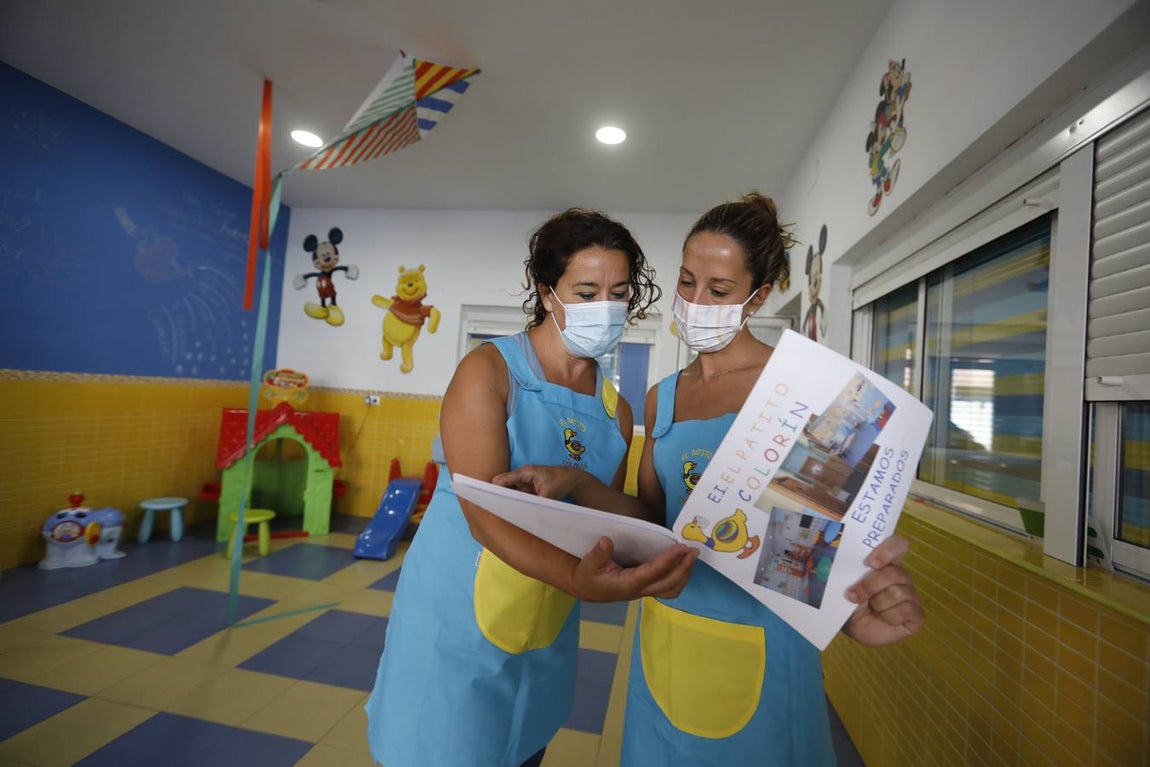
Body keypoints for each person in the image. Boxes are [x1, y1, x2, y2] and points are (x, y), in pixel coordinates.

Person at [496, 192, 925, 766]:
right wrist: (575, 482)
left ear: (757, 297)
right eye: (687, 282)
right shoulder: (664, 396)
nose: (695, 302)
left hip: (766, 643)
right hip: (667, 631)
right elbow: (653, 520)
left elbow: (813, 548)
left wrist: (853, 607)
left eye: (718, 291)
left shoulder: (806, 391)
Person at [364, 208, 698, 767]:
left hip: (543, 621)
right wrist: (577, 579)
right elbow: (482, 514)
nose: (605, 307)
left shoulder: (615, 411)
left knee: (523, 745)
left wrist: (580, 485)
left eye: (618, 293)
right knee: (441, 745)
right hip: (454, 617)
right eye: (586, 292)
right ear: (547, 293)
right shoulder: (490, 372)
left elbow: (609, 520)